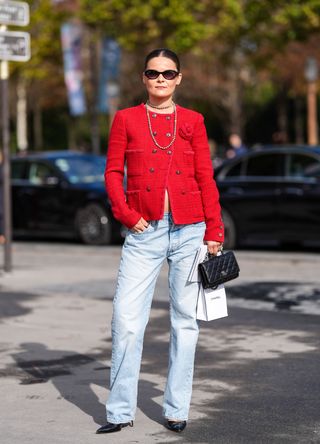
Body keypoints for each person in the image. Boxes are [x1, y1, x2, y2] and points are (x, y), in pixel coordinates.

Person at [97, 48, 224, 435]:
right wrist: (126, 214)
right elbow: (112, 171)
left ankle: (176, 409)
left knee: (185, 322)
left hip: (190, 230)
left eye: (168, 74)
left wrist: (214, 230)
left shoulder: (194, 121)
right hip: (143, 231)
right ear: (143, 78)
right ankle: (119, 412)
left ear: (179, 78)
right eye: (153, 73)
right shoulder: (125, 119)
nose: (161, 80)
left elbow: (205, 176)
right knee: (126, 320)